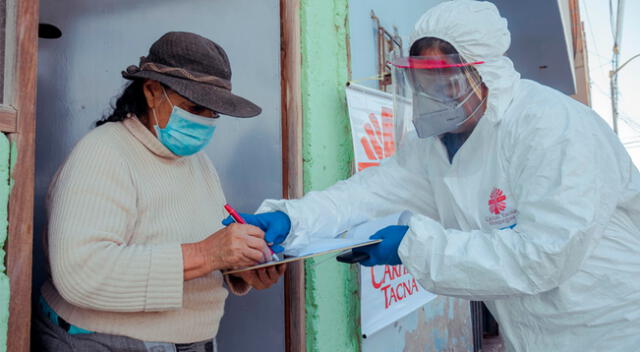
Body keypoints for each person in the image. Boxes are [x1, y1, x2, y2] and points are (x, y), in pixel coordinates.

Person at [224, 2, 640, 351]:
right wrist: (288, 219)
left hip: (612, 330)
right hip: (531, 338)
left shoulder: (552, 127)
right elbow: (361, 195)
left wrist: (413, 248)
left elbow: (546, 255)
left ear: (486, 73)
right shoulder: (434, 148)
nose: (434, 95)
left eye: (447, 80)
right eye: (424, 79)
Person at [34, 32, 285, 352]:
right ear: (152, 92)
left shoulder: (199, 162)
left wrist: (243, 267)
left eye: (213, 112)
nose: (205, 121)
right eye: (195, 107)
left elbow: (205, 246)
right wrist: (209, 253)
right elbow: (81, 273)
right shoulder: (103, 152)